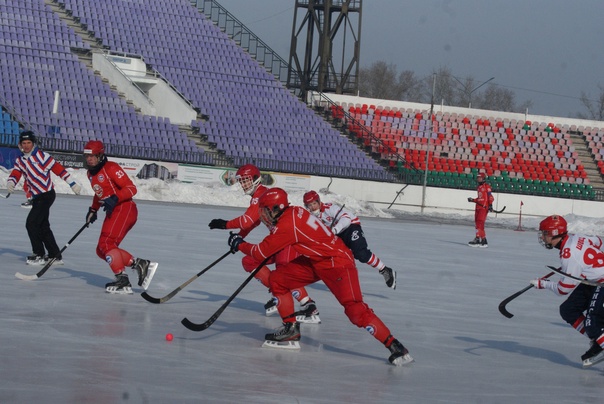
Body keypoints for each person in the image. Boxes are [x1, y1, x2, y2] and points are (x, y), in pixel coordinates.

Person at [227, 188, 413, 366]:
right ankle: (291, 330)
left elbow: (260, 252)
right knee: (278, 280)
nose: (263, 215)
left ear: (277, 209)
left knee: (356, 312)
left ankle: (395, 346)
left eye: (265, 211)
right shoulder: (295, 211)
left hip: (338, 263)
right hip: (317, 261)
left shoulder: (287, 224)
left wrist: (239, 244)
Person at [208, 164, 320, 323]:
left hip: (288, 241)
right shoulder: (258, 196)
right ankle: (279, 293)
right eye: (241, 181)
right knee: (249, 261)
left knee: (283, 272)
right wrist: (238, 238)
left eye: (246, 180)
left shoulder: (260, 195)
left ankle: (309, 307)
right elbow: (253, 222)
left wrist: (224, 224)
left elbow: (246, 220)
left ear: (255, 179)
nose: (243, 184)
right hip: (278, 241)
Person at [83, 140, 157, 294]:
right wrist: (93, 210)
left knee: (107, 243)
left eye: (93, 156)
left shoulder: (111, 168)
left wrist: (115, 198)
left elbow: (131, 188)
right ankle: (139, 264)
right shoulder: (90, 174)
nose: (89, 159)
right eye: (87, 156)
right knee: (101, 249)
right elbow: (99, 194)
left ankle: (122, 280)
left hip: (124, 208)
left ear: (100, 155)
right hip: (114, 211)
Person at [530, 214, 604, 368]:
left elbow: (563, 289)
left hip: (601, 283)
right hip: (592, 280)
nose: (542, 238)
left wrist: (543, 284)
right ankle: (598, 341)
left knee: (592, 324)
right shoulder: (576, 237)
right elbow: (599, 241)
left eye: (544, 234)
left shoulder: (569, 256)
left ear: (554, 234)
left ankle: (600, 341)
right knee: (568, 310)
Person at [7, 131, 82, 265]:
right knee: (43, 226)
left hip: (46, 195)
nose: (26, 146)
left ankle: (39, 254)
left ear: (33, 143)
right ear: (20, 145)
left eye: (29, 143)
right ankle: (55, 255)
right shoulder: (20, 160)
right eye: (24, 143)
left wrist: (72, 183)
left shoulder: (42, 156)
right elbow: (16, 172)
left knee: (31, 223)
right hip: (36, 197)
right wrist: (11, 182)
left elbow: (58, 169)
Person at [303, 190, 396, 289]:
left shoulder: (329, 208)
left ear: (319, 201)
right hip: (337, 235)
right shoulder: (311, 218)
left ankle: (385, 270)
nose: (313, 207)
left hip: (350, 227)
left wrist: (334, 230)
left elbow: (346, 219)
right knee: (336, 258)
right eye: (309, 205)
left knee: (361, 253)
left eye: (314, 203)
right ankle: (346, 282)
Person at [467, 172, 494, 247]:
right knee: (479, 224)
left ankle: (477, 238)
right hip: (478, 207)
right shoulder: (478, 187)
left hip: (483, 208)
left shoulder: (487, 187)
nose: (478, 179)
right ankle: (484, 240)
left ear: (483, 178)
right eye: (478, 178)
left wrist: (490, 205)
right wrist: (473, 200)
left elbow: (490, 197)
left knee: (479, 223)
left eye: (480, 178)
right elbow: (480, 198)